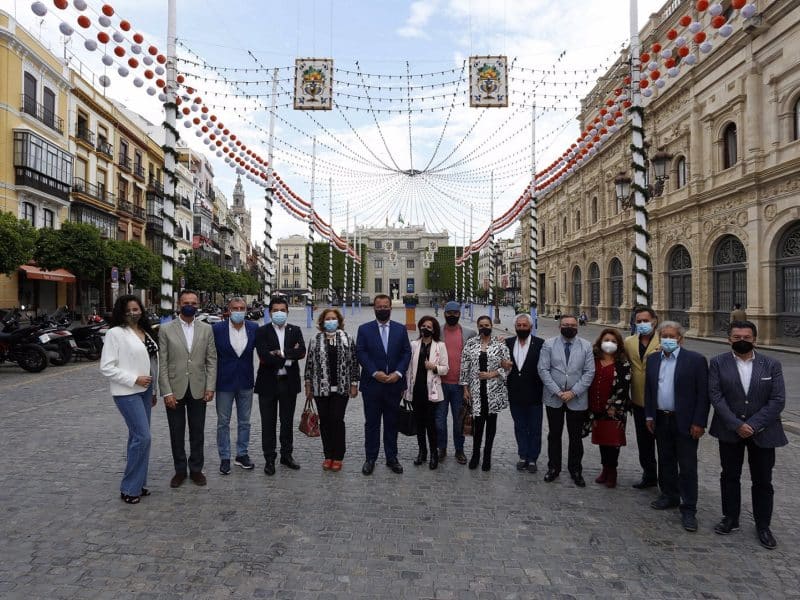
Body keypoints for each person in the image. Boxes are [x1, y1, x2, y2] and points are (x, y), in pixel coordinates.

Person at [708, 320, 787, 550]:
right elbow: (716, 396)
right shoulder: (718, 363)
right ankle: (730, 518)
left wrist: (752, 425)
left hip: (763, 431)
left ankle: (763, 526)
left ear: (755, 339)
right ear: (729, 339)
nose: (741, 341)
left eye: (746, 337)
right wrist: (736, 424)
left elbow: (778, 400)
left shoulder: (771, 364)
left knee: (763, 480)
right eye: (736, 337)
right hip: (729, 431)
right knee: (729, 476)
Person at [645, 321, 709, 533]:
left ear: (680, 339)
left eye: (672, 336)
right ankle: (669, 495)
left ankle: (689, 508)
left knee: (688, 466)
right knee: (665, 460)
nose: (667, 339)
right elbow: (649, 390)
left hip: (686, 421)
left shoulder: (695, 360)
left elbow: (703, 395)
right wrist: (649, 416)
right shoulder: (653, 359)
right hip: (662, 418)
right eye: (664, 336)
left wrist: (699, 422)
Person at [99, 295, 159, 504]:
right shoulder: (115, 333)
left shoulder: (145, 331)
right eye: (129, 310)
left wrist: (153, 390)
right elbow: (106, 367)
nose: (134, 313)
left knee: (137, 438)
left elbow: (152, 362)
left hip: (145, 390)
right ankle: (129, 488)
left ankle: (138, 484)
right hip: (127, 392)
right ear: (121, 312)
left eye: (136, 309)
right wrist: (134, 379)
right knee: (143, 437)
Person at [158, 289, 217, 488]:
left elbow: (211, 360)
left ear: (198, 304)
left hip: (199, 388)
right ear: (178, 305)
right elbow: (162, 363)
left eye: (193, 302)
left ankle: (196, 469)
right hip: (175, 388)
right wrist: (166, 391)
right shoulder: (166, 329)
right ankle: (180, 471)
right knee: (176, 432)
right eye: (185, 302)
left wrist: (210, 387)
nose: (189, 305)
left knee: (197, 431)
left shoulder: (206, 329)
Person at [356, 294, 413, 475]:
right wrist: (374, 372)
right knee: (371, 423)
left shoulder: (400, 329)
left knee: (391, 423)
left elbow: (406, 353)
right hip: (372, 385)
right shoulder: (364, 329)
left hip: (394, 385)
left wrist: (398, 373)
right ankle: (370, 458)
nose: (382, 309)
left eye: (385, 306)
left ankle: (391, 458)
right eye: (379, 306)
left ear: (390, 307)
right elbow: (361, 353)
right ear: (374, 308)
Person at [538, 314, 595, 486]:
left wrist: (573, 392)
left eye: (572, 324)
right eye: (565, 324)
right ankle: (553, 468)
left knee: (575, 437)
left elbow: (589, 372)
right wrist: (557, 391)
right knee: (554, 434)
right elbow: (543, 369)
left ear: (577, 327)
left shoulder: (586, 346)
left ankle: (575, 469)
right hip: (554, 398)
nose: (568, 327)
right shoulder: (549, 344)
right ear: (559, 326)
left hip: (577, 399)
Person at [254, 297, 307, 475]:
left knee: (287, 422)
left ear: (287, 311)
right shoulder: (262, 331)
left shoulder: (295, 330)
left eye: (282, 310)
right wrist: (288, 357)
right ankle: (269, 459)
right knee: (268, 423)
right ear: (270, 312)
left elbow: (302, 351)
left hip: (289, 384)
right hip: (267, 384)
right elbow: (264, 356)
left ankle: (287, 455)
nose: (279, 313)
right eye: (275, 310)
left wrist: (281, 353)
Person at [304, 308, 359, 472]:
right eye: (327, 319)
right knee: (325, 421)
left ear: (339, 321)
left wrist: (354, 384)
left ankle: (338, 455)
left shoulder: (347, 338)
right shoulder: (315, 339)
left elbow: (354, 363)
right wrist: (308, 385)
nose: (330, 321)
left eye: (333, 318)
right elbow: (309, 364)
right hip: (320, 388)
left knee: (337, 419)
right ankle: (328, 455)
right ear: (322, 322)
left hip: (341, 388)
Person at [212, 297, 258, 475]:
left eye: (242, 308)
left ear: (246, 310)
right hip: (224, 381)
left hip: (246, 380)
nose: (239, 311)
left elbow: (263, 348)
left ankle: (242, 454)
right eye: (235, 308)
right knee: (223, 422)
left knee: (245, 421)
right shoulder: (217, 329)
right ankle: (224, 457)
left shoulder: (253, 328)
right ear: (229, 310)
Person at [459, 315, 510, 471]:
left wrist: (492, 374)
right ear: (478, 326)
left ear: (491, 326)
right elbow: (464, 367)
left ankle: (487, 455)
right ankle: (475, 455)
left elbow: (508, 367)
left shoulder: (500, 344)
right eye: (481, 325)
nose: (484, 327)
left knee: (491, 426)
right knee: (478, 425)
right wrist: (465, 388)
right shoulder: (470, 344)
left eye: (487, 324)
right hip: (476, 390)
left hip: (494, 391)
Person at [587, 328, 631, 488]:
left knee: (613, 443)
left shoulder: (623, 363)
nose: (609, 343)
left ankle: (612, 472)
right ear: (600, 342)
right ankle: (605, 469)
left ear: (618, 344)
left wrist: (613, 406)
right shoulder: (593, 359)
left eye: (613, 341)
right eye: (606, 340)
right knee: (602, 441)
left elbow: (624, 387)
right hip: (596, 407)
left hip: (614, 410)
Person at [623, 306, 660, 489]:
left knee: (664, 444)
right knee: (644, 442)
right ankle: (649, 474)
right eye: (639, 321)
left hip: (661, 403)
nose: (643, 324)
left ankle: (669, 480)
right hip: (638, 400)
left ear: (655, 321)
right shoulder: (629, 342)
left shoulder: (665, 340)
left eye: (646, 321)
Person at [502, 314, 544, 473]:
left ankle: (533, 458)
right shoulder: (508, 343)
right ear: (515, 327)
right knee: (519, 426)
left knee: (535, 428)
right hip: (515, 393)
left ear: (530, 327)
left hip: (534, 394)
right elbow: (499, 362)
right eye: (518, 325)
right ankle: (523, 455)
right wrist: (503, 364)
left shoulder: (540, 344)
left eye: (524, 325)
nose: (521, 328)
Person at [406, 315, 449, 470]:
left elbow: (445, 368)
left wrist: (434, 367)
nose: (425, 328)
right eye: (423, 326)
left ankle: (433, 454)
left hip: (431, 391)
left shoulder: (440, 346)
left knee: (431, 424)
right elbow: (408, 368)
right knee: (419, 424)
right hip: (416, 390)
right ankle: (421, 452)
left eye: (429, 327)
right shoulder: (414, 345)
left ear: (434, 329)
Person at [436, 300, 475, 464]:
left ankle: (459, 449)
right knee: (439, 419)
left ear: (459, 314)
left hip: (461, 385)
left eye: (455, 313)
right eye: (449, 313)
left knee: (459, 420)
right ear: (444, 314)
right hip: (440, 384)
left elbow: (483, 346)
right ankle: (441, 447)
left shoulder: (469, 333)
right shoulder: (437, 332)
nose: (452, 316)